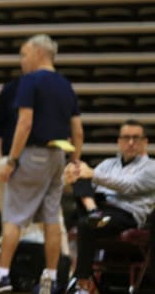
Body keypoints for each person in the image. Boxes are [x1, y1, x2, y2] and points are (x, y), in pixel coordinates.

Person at [0, 34, 83, 294]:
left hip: (33, 154)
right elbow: (78, 131)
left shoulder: (30, 81)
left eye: (24, 54)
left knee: (13, 217)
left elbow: (24, 123)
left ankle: (1, 277)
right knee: (51, 218)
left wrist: (11, 160)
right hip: (58, 156)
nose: (22, 60)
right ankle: (50, 280)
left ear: (38, 53)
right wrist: (75, 161)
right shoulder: (65, 85)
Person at [62, 119, 155, 294]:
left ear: (145, 142)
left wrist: (92, 174)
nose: (131, 142)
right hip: (101, 208)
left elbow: (129, 186)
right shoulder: (107, 164)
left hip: (126, 215)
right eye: (126, 137)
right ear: (118, 141)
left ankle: (81, 283)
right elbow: (81, 185)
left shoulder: (152, 167)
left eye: (136, 138)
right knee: (79, 174)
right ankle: (92, 210)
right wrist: (68, 179)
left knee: (85, 223)